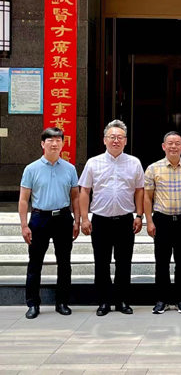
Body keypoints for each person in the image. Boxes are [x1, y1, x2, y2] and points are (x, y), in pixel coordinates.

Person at [79, 119, 144, 316]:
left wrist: (139, 215)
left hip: (125, 220)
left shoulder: (134, 163)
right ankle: (103, 302)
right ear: (104, 140)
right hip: (100, 220)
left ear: (126, 141)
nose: (116, 140)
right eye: (112, 137)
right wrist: (84, 218)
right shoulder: (93, 163)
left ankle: (122, 301)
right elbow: (84, 191)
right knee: (101, 262)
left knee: (124, 262)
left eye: (120, 137)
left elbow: (140, 190)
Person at [19, 128, 80, 319]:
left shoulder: (70, 168)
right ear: (42, 144)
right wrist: (24, 225)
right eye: (50, 140)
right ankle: (33, 304)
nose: (54, 144)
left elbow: (76, 197)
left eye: (58, 140)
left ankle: (62, 302)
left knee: (64, 262)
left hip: (63, 218)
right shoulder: (31, 169)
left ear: (62, 143)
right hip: (40, 218)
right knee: (35, 263)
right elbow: (23, 199)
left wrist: (77, 220)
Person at [144, 131, 181, 314]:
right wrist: (149, 221)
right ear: (163, 146)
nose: (173, 146)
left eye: (177, 143)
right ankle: (162, 300)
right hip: (162, 219)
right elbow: (147, 197)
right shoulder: (153, 168)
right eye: (170, 143)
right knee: (162, 262)